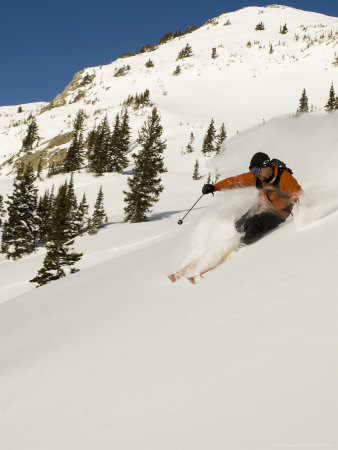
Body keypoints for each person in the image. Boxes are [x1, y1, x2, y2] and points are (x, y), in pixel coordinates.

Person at [202, 152, 302, 245]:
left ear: (266, 166)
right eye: (252, 171)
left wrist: (304, 214)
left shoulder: (285, 179)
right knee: (239, 224)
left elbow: (300, 197)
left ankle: (243, 247)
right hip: (261, 206)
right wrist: (215, 187)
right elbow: (235, 181)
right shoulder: (257, 177)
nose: (255, 174)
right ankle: (233, 239)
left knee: (254, 223)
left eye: (256, 170)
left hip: (279, 213)